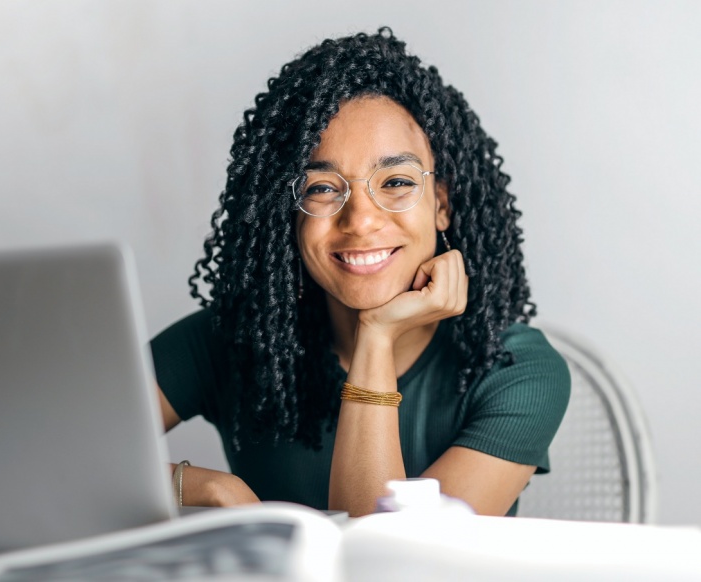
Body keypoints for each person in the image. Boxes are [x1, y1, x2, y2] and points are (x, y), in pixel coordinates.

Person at [151, 28, 570, 517]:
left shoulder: (516, 370)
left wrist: (377, 335)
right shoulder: (232, 339)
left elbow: (389, 561)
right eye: (323, 189)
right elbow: (51, 454)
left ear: (442, 203)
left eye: (395, 182)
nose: (362, 220)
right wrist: (204, 487)